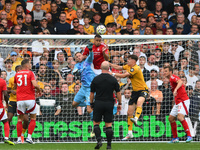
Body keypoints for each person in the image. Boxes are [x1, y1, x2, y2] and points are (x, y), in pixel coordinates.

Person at [110, 54, 148, 140]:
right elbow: (119, 67)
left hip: (143, 90)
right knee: (129, 113)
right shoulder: (128, 66)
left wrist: (111, 73)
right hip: (134, 92)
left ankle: (136, 118)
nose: (128, 60)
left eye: (129, 59)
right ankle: (130, 133)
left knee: (139, 103)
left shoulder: (135, 68)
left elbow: (124, 76)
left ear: (133, 61)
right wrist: (110, 65)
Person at [89, 61, 121, 149]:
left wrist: (91, 103)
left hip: (98, 103)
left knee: (96, 123)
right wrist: (120, 103)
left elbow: (91, 93)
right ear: (108, 68)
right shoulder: (113, 79)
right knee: (108, 125)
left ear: (101, 68)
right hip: (109, 103)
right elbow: (118, 93)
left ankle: (99, 140)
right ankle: (109, 145)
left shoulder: (96, 79)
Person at [14, 59, 41, 144]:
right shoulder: (30, 73)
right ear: (26, 65)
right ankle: (29, 137)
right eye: (29, 63)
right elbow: (35, 84)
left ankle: (19, 139)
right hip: (30, 98)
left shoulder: (17, 74)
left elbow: (15, 86)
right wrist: (39, 90)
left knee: (19, 119)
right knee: (33, 117)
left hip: (20, 99)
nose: (30, 65)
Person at [163, 66, 192, 143]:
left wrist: (175, 90)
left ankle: (189, 135)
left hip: (183, 100)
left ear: (170, 71)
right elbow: (181, 84)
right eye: (164, 71)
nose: (164, 72)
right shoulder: (170, 79)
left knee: (180, 117)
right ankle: (175, 138)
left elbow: (180, 82)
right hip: (177, 101)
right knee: (171, 118)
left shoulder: (173, 77)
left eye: (166, 71)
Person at [72, 44, 95, 121]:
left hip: (90, 88)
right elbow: (74, 70)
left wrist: (91, 50)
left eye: (79, 55)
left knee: (88, 110)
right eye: (77, 57)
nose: (78, 57)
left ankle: (94, 124)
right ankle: (93, 104)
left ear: (82, 55)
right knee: (74, 104)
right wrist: (75, 72)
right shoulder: (77, 65)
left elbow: (91, 56)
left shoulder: (87, 61)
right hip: (83, 88)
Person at [0, 68, 15, 145]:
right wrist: (6, 102)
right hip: (0, 106)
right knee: (5, 121)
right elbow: (5, 94)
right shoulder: (2, 81)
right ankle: (6, 138)